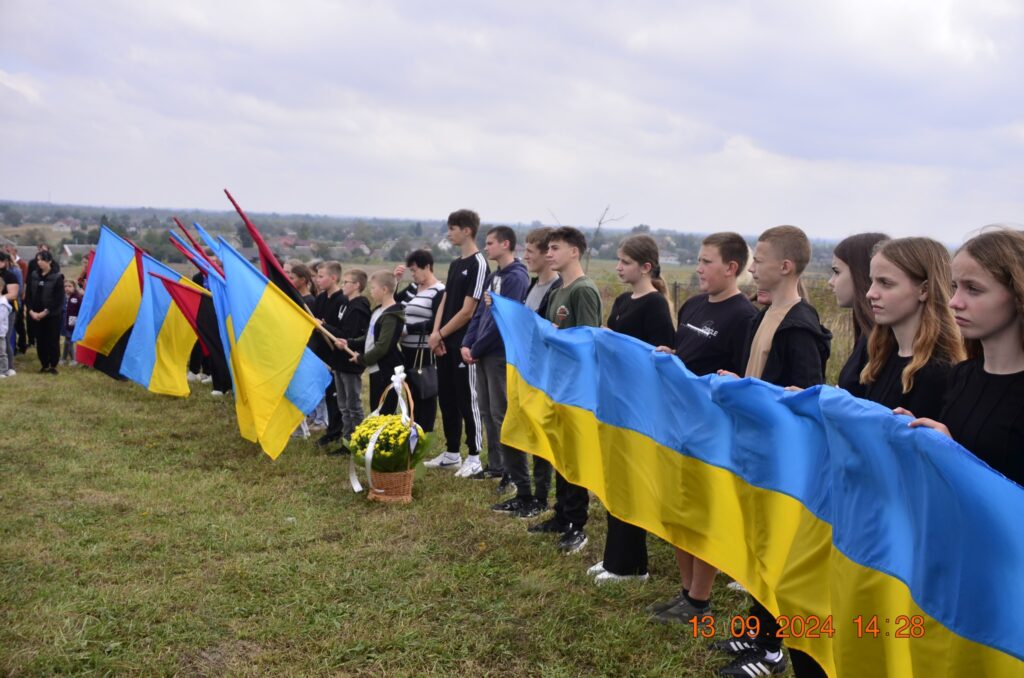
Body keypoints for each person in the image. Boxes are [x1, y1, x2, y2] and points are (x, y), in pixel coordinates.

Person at [715, 225, 831, 678]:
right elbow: (759, 381)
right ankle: (752, 631)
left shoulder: (800, 327)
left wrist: (754, 397)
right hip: (756, 452)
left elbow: (804, 400)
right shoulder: (760, 315)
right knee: (759, 548)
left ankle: (770, 650)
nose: (751, 268)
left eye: (759, 260)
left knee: (778, 551)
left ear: (785, 267)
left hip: (785, 462)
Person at [647, 232, 757, 622]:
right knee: (677, 510)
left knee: (702, 513)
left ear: (731, 268)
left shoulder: (745, 317)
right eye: (698, 260)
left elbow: (745, 379)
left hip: (712, 433)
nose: (697, 268)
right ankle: (684, 591)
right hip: (677, 425)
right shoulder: (692, 306)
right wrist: (672, 356)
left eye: (706, 261)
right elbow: (690, 357)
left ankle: (699, 600)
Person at [900, 229, 1024, 485]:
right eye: (955, 287)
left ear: (1018, 294)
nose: (954, 302)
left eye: (974, 289)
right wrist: (922, 436)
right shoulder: (961, 375)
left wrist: (952, 453)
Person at [586, 235, 675, 584]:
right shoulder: (623, 299)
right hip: (614, 400)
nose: (618, 267)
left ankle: (632, 566)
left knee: (629, 482)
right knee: (613, 480)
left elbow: (660, 354)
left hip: (636, 406)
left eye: (624, 262)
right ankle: (614, 557)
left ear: (646, 267)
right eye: (618, 260)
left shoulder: (654, 305)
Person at [526, 226, 602, 555]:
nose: (549, 254)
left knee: (575, 456)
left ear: (575, 251)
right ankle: (560, 513)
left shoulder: (583, 290)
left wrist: (557, 336)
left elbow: (588, 340)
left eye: (555, 248)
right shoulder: (558, 290)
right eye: (548, 248)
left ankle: (576, 523)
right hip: (556, 384)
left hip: (576, 388)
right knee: (560, 453)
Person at [460, 226, 530, 499]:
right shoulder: (493, 276)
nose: (485, 248)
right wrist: (467, 342)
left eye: (490, 243)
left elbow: (504, 321)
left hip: (499, 353)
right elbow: (480, 313)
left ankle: (511, 473)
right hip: (481, 351)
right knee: (487, 410)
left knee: (501, 413)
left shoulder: (516, 278)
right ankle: (496, 464)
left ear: (506, 244)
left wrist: (476, 347)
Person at [861, 238, 963, 418]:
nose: (870, 293)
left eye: (885, 283)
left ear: (924, 290)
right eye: (872, 281)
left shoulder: (939, 371)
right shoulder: (882, 356)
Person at [424, 210, 489, 472]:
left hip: (465, 344)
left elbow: (468, 310)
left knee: (466, 398)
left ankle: (474, 455)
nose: (448, 233)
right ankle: (452, 453)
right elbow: (445, 302)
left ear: (467, 231)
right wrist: (435, 334)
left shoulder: (479, 264)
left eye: (452, 228)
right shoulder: (454, 264)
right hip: (444, 341)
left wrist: (441, 334)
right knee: (447, 398)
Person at [506, 227, 562, 518]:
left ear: (546, 255)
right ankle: (523, 492)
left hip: (543, 375)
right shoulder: (531, 286)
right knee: (514, 429)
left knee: (540, 435)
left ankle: (540, 496)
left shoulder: (557, 290)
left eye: (530, 251)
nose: (524, 256)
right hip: (524, 370)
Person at [828, 233, 890, 396]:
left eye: (837, 271)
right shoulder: (868, 335)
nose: (831, 281)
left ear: (861, 273)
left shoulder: (883, 343)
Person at [336, 271, 405, 414]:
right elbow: (369, 337)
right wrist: (349, 342)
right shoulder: (378, 311)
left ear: (385, 289)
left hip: (387, 370)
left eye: (373, 288)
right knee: (376, 406)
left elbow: (382, 346)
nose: (371, 291)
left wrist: (362, 359)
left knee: (385, 409)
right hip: (376, 368)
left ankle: (384, 436)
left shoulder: (392, 315)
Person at [394, 251, 445, 434]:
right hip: (405, 348)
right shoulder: (413, 287)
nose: (413, 275)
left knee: (425, 391)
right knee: (411, 393)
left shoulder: (439, 291)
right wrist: (397, 281)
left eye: (415, 270)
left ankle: (425, 431)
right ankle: (413, 428)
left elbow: (437, 321)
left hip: (423, 350)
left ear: (427, 267)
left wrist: (410, 329)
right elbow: (394, 303)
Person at [328, 268, 371, 448]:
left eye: (346, 282)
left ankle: (359, 441)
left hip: (350, 362)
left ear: (357, 285)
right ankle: (347, 441)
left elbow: (350, 336)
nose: (343, 285)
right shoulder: (346, 304)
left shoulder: (359, 308)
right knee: (343, 405)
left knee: (353, 405)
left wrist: (326, 327)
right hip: (340, 362)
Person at [311, 261, 347, 444]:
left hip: (336, 356)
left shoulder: (342, 301)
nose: (317, 280)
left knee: (337, 396)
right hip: (322, 355)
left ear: (333, 278)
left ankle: (337, 430)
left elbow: (342, 332)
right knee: (328, 394)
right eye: (317, 276)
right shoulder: (320, 299)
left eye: (321, 276)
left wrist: (324, 325)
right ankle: (332, 429)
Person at [28, 250, 65, 374]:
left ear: (49, 261)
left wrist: (46, 312)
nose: (39, 262)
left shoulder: (57, 277)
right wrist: (30, 310)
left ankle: (53, 365)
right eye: (38, 260)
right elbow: (28, 294)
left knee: (52, 340)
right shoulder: (34, 275)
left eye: (42, 260)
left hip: (52, 315)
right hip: (35, 314)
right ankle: (44, 364)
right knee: (41, 340)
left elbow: (58, 299)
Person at [0, 251, 19, 371]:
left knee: (4, 339)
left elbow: (13, 294)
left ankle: (9, 367)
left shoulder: (10, 275)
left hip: (7, 310)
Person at [61, 279, 82, 365]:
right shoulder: (63, 297)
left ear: (74, 287)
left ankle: (74, 359)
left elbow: (80, 309)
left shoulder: (77, 297)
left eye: (69, 286)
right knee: (67, 339)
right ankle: (64, 358)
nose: (67, 288)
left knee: (69, 339)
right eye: (65, 286)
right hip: (64, 320)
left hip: (73, 320)